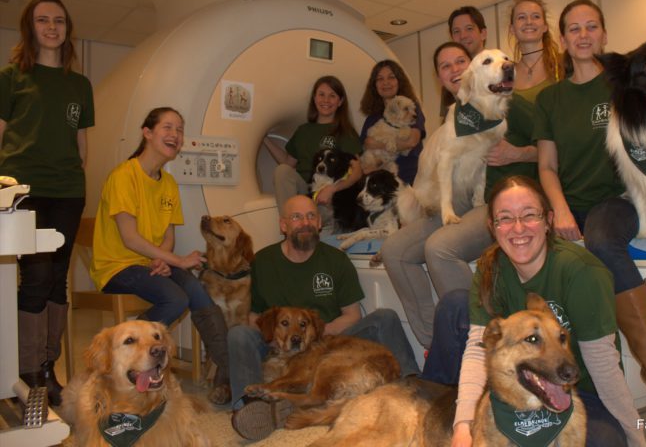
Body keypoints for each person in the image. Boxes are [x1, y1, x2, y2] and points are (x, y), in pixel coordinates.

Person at [533, 0, 646, 422]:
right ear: (564, 40)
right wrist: (561, 211)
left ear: (604, 34)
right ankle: (571, 385)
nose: (583, 35)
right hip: (568, 204)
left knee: (604, 244)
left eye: (592, 26)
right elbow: (546, 166)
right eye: (574, 28)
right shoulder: (551, 99)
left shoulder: (630, 79)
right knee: (536, 262)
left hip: (622, 199)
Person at [385, 0, 561, 375]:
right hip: (455, 203)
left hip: (497, 199)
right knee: (394, 250)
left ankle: (488, 341)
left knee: (440, 248)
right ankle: (438, 341)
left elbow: (550, 150)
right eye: (443, 66)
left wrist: (516, 154)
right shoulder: (454, 115)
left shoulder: (513, 102)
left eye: (459, 62)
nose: (453, 70)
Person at [451, 176, 646, 447]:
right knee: (454, 306)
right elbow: (477, 348)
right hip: (513, 383)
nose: (518, 228)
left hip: (579, 389)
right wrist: (464, 426)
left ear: (548, 221)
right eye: (505, 218)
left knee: (607, 443)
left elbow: (603, 363)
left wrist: (637, 440)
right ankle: (444, 410)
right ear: (492, 227)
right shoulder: (490, 268)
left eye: (530, 215)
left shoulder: (582, 272)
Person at [228, 195, 420, 441]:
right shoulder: (263, 261)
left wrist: (318, 335)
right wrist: (272, 338)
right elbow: (253, 314)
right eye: (296, 217)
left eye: (310, 216)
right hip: (277, 342)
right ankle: (249, 406)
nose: (305, 222)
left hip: (329, 339)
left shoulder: (336, 259)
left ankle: (411, 386)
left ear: (319, 223)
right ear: (283, 225)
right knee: (238, 334)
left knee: (385, 316)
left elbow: (352, 314)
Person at [90, 107, 231, 405]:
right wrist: (177, 261)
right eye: (168, 127)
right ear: (147, 133)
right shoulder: (123, 177)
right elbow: (129, 238)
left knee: (195, 289)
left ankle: (229, 373)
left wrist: (163, 257)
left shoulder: (167, 183)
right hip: (117, 267)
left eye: (179, 130)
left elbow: (168, 236)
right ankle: (124, 357)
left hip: (148, 263)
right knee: (175, 298)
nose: (175, 135)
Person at [0, 0, 94, 405]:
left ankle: (46, 367)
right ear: (30, 27)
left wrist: (77, 178)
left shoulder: (80, 85)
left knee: (57, 278)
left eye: (59, 20)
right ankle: (26, 369)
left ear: (67, 29)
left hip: (68, 191)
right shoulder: (11, 77)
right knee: (35, 279)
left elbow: (82, 141)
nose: (51, 27)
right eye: (42, 20)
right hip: (24, 189)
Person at [263, 75, 362, 215]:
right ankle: (290, 223)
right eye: (321, 94)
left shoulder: (345, 131)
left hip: (326, 193)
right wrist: (264, 139)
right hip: (304, 189)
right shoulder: (303, 130)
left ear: (340, 101)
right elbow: (287, 162)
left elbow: (357, 172)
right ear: (314, 98)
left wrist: (332, 189)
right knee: (282, 170)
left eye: (332, 96)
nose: (326, 100)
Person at [360, 60, 425, 185]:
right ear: (375, 85)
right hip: (379, 181)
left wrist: (382, 143)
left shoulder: (412, 109)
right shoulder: (372, 118)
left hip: (409, 178)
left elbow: (411, 141)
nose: (386, 82)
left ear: (399, 81)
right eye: (380, 79)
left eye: (391, 77)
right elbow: (366, 145)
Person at [439, 6, 489, 121]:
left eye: (469, 28)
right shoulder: (452, 79)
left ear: (483, 33)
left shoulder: (500, 70)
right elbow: (449, 123)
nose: (463, 36)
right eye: (457, 31)